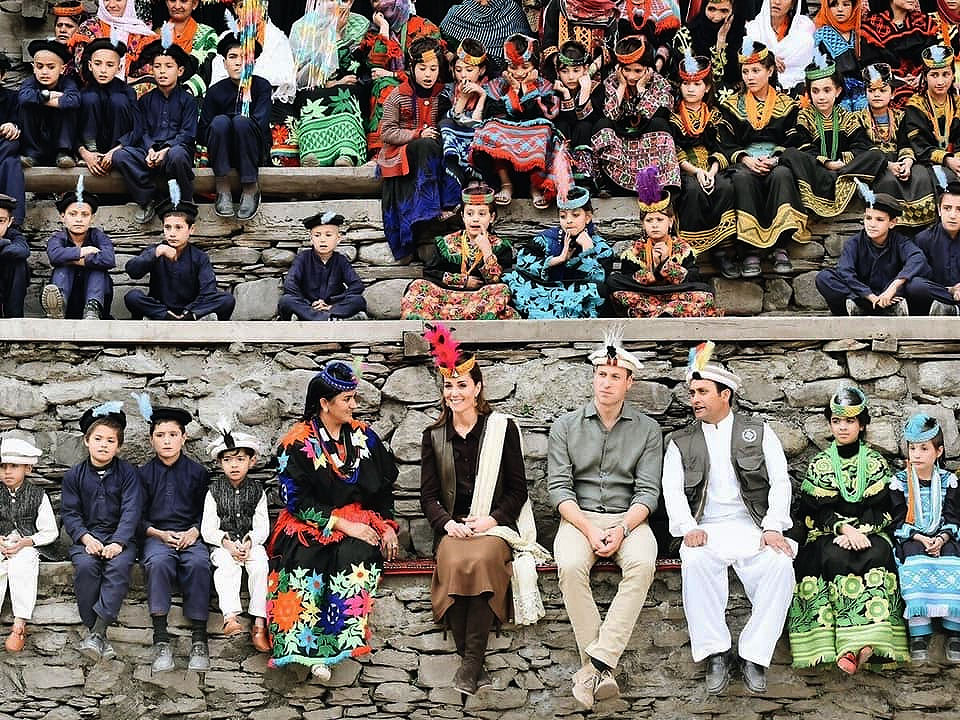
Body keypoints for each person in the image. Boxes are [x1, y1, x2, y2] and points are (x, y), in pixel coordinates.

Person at [419, 324, 547, 695]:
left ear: (477, 388)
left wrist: (491, 520)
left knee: (483, 559)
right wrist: (447, 525)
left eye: (462, 385)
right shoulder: (434, 437)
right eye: (448, 386)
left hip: (494, 528)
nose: (454, 393)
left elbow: (518, 490)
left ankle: (469, 664)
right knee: (454, 560)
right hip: (454, 529)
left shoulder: (501, 429)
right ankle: (473, 666)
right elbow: (428, 497)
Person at [661, 343, 795, 695]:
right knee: (695, 560)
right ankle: (716, 653)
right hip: (705, 528)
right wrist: (688, 528)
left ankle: (754, 654)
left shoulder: (759, 431)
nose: (695, 399)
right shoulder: (680, 441)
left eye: (703, 392)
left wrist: (772, 527)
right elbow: (671, 490)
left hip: (752, 526)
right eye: (692, 393)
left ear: (726, 395)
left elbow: (780, 481)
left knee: (780, 564)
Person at [547, 330, 661, 710]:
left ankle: (592, 668)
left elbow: (648, 493)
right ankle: (603, 670)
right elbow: (558, 489)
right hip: (579, 519)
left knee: (643, 563)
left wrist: (623, 528)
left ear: (629, 383)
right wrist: (590, 529)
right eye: (601, 374)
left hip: (630, 519)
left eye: (615, 376)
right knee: (569, 565)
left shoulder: (648, 430)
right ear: (593, 378)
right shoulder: (565, 426)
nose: (606, 382)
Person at [267, 361, 399, 681]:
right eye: (347, 400)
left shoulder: (364, 437)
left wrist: (386, 527)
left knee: (356, 554)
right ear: (325, 403)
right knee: (305, 558)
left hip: (360, 517)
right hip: (310, 522)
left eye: (354, 398)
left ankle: (337, 645)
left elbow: (384, 488)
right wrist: (341, 524)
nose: (354, 406)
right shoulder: (296, 443)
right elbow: (296, 501)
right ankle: (305, 650)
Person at [788, 387, 909, 673]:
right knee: (832, 556)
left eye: (850, 421)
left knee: (879, 553)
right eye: (836, 421)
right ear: (830, 425)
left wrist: (861, 532)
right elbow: (815, 511)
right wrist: (843, 530)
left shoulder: (876, 462)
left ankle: (869, 645)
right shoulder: (820, 464)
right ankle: (848, 648)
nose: (843, 427)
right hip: (829, 534)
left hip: (870, 533)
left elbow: (884, 508)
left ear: (862, 424)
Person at [718, 38, 809, 277]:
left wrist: (776, 158)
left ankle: (780, 246)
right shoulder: (731, 105)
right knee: (742, 179)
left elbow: (794, 139)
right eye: (745, 71)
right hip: (744, 161)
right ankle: (750, 249)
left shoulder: (788, 104)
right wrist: (745, 159)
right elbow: (725, 142)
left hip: (776, 160)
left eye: (756, 71)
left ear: (770, 71)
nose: (750, 77)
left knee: (782, 175)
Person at [61, 402, 141, 661]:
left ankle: (97, 633)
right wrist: (86, 538)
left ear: (119, 446)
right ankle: (96, 632)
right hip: (87, 538)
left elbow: (131, 510)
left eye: (110, 440)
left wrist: (118, 542)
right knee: (86, 567)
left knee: (118, 567)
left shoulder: (128, 474)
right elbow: (70, 513)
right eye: (98, 439)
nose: (104, 445)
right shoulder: (74, 476)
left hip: (121, 539)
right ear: (87, 441)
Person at [137, 401, 212, 673]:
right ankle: (161, 639)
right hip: (156, 536)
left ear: (184, 437)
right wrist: (157, 533)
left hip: (191, 535)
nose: (167, 441)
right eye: (160, 435)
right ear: (151, 440)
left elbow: (208, 511)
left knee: (199, 563)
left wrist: (195, 531)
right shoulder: (142, 475)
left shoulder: (198, 473)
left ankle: (200, 639)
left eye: (172, 435)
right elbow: (135, 515)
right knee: (158, 563)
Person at [377, 36, 460, 260]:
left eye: (433, 68)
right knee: (425, 145)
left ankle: (447, 209)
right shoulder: (398, 95)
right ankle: (425, 217)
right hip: (403, 153)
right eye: (422, 68)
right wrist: (416, 134)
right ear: (412, 68)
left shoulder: (444, 93)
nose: (428, 74)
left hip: (434, 153)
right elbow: (387, 132)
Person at [779, 50, 887, 218]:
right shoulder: (804, 116)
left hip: (843, 168)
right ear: (809, 93)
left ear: (837, 91)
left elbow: (861, 145)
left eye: (827, 90)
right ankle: (837, 179)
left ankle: (841, 177)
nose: (821, 97)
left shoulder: (846, 117)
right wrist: (827, 162)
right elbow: (803, 146)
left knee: (877, 155)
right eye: (815, 91)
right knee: (790, 154)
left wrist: (842, 162)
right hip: (817, 172)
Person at [890, 413, 960, 663]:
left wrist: (941, 539)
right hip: (913, 537)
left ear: (938, 452)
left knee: (953, 559)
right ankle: (919, 632)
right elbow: (898, 520)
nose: (916, 454)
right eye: (912, 448)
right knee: (912, 558)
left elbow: (953, 516)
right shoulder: (899, 482)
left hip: (944, 537)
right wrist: (920, 538)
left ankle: (954, 631)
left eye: (923, 448)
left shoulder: (949, 481)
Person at [470, 34, 569, 208]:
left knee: (543, 130)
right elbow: (494, 112)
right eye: (513, 67)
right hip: (506, 139)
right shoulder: (497, 85)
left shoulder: (545, 86)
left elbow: (549, 113)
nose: (520, 73)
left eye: (525, 67)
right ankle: (506, 184)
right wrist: (514, 90)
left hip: (534, 134)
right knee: (491, 129)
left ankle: (535, 186)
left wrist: (527, 89)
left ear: (535, 66)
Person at [608, 168, 722, 317]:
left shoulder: (683, 249)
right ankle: (668, 311)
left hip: (676, 294)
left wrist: (666, 264)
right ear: (643, 224)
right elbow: (628, 279)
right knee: (613, 282)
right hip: (646, 294)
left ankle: (655, 311)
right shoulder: (634, 251)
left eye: (660, 219)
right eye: (649, 220)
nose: (654, 225)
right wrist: (654, 270)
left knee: (704, 291)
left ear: (670, 221)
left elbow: (692, 279)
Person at [113, 30, 198, 223]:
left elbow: (188, 134)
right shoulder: (145, 100)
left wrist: (165, 150)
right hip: (149, 154)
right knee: (121, 155)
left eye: (168, 66)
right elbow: (141, 131)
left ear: (180, 71)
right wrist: (150, 149)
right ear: (151, 70)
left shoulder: (188, 101)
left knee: (177, 155)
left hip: (174, 152)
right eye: (157, 66)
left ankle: (185, 201)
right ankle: (148, 198)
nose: (162, 71)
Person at [201, 422, 271, 653]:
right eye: (228, 460)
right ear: (220, 463)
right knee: (225, 566)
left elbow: (262, 525)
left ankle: (259, 623)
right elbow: (208, 528)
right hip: (224, 544)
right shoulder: (214, 492)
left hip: (251, 543)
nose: (234, 465)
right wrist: (227, 544)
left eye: (240, 459)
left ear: (251, 461)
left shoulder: (257, 491)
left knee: (260, 566)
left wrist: (250, 542)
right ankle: (230, 617)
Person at [401, 184, 517, 320]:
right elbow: (430, 272)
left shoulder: (501, 246)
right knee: (418, 286)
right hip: (447, 297)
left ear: (491, 217)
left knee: (502, 290)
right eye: (470, 213)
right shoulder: (447, 242)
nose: (475, 219)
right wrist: (462, 281)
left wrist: (487, 251)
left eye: (481, 214)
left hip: (481, 298)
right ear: (462, 216)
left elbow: (497, 281)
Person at [668, 50, 737, 265]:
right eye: (686, 84)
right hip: (686, 168)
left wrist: (711, 172)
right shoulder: (672, 117)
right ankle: (690, 251)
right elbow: (673, 149)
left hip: (712, 166)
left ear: (706, 87)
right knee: (693, 190)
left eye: (697, 84)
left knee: (725, 186)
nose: (691, 89)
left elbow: (722, 146)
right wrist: (696, 171)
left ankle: (722, 250)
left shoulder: (715, 114)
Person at [816, 182, 928, 315]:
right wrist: (870, 296)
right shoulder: (854, 243)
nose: (872, 224)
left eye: (879, 220)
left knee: (916, 283)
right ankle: (862, 307)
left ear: (892, 223)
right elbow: (845, 272)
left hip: (891, 297)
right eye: (868, 218)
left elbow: (917, 258)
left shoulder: (900, 242)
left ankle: (890, 308)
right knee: (824, 278)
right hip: (862, 297)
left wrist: (893, 288)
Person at [591, 35, 680, 198]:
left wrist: (641, 89)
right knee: (602, 125)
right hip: (621, 142)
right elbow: (609, 115)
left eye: (637, 71)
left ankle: (655, 185)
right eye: (627, 70)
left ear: (648, 69)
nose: (631, 76)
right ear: (619, 68)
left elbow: (657, 116)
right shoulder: (612, 82)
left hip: (647, 141)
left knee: (660, 124)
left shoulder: (660, 84)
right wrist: (621, 87)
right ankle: (609, 185)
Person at [504, 186, 612, 318]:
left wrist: (587, 251)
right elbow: (522, 261)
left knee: (600, 290)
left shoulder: (601, 247)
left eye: (575, 215)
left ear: (588, 217)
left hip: (575, 296)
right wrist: (557, 260)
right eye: (563, 216)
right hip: (544, 292)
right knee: (508, 275)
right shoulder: (548, 238)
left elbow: (598, 279)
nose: (569, 221)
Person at [124, 194, 235, 320]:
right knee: (133, 296)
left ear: (191, 229)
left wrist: (190, 311)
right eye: (168, 227)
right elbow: (132, 271)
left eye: (178, 227)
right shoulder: (156, 251)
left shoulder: (200, 257)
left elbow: (208, 291)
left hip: (191, 311)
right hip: (160, 310)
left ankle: (187, 318)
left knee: (227, 299)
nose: (172, 233)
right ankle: (167, 317)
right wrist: (156, 252)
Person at [199, 29, 272, 221]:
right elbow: (203, 132)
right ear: (224, 63)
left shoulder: (262, 86)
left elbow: (260, 123)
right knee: (219, 122)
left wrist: (236, 120)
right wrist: (225, 124)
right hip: (223, 153)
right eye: (232, 57)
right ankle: (222, 187)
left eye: (245, 57)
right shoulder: (215, 91)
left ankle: (250, 187)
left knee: (241, 121)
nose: (239, 62)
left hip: (253, 151)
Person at [288, 0, 368, 167]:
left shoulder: (360, 24)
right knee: (310, 96)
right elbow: (297, 73)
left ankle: (347, 153)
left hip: (349, 84)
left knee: (346, 92)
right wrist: (328, 83)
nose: (337, 3)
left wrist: (337, 35)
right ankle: (312, 155)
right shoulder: (301, 27)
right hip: (313, 86)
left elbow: (356, 68)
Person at [358, 0, 443, 155]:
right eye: (375, 0)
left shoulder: (423, 27)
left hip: (422, 83)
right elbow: (375, 65)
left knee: (388, 85)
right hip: (385, 84)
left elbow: (430, 66)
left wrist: (394, 74)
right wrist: (384, 28)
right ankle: (379, 152)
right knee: (383, 84)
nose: (381, 4)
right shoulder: (374, 30)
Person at [860, 63, 938, 228]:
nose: (877, 95)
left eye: (883, 90)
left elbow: (906, 142)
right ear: (865, 92)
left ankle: (925, 226)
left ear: (893, 93)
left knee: (922, 175)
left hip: (901, 159)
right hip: (877, 164)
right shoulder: (857, 119)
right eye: (871, 90)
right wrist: (887, 165)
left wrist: (907, 163)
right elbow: (862, 148)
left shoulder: (902, 116)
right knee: (887, 181)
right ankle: (891, 224)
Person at [0, 437, 57, 653]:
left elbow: (50, 531)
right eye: (3, 466)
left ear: (28, 468)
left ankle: (19, 623)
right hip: (2, 543)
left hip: (27, 544)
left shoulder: (38, 495)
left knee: (22, 566)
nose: (7, 472)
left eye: (14, 466)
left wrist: (27, 541)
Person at [43, 180, 115, 320]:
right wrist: (83, 251)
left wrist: (73, 259)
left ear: (92, 218)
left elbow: (109, 259)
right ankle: (58, 307)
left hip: (97, 297)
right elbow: (54, 255)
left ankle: (92, 310)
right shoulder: (58, 237)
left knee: (97, 269)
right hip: (69, 300)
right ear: (63, 217)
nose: (79, 219)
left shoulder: (99, 236)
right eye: (73, 214)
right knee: (63, 268)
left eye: (84, 214)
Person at [278, 211, 367, 321]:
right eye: (317, 235)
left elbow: (357, 285)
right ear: (311, 239)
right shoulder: (303, 258)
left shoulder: (341, 260)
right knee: (286, 301)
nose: (322, 240)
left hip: (332, 305)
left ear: (338, 239)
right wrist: (309, 303)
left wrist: (331, 303)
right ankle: (331, 318)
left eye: (328, 235)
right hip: (309, 305)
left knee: (358, 300)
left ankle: (314, 316)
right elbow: (290, 284)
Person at [76, 38, 141, 182]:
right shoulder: (82, 93)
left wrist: (115, 151)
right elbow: (71, 128)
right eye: (98, 64)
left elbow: (138, 128)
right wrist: (85, 154)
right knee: (90, 98)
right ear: (90, 65)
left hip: (118, 150)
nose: (103, 70)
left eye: (110, 65)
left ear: (119, 67)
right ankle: (92, 149)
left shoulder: (127, 92)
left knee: (118, 100)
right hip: (89, 152)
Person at [900, 45, 960, 199]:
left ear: (953, 75)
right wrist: (946, 159)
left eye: (946, 74)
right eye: (934, 75)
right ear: (925, 77)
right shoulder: (916, 105)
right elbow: (918, 144)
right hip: (926, 162)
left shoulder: (957, 103)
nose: (940, 81)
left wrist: (957, 159)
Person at [549, 41, 603, 193]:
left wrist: (585, 92)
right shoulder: (554, 90)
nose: (570, 77)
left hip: (586, 135)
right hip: (566, 133)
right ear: (558, 72)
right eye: (565, 71)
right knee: (561, 125)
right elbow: (567, 120)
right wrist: (566, 95)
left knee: (584, 126)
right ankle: (561, 175)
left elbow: (592, 119)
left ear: (585, 69)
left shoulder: (597, 88)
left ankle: (584, 176)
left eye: (576, 70)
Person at [861, 0, 938, 107]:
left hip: (924, 82)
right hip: (887, 87)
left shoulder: (924, 22)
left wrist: (922, 76)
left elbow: (933, 55)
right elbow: (871, 64)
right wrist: (898, 80)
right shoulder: (872, 25)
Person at [18, 39, 80, 169]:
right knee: (26, 107)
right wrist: (48, 96)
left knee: (68, 109)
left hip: (58, 135)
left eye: (51, 67)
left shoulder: (67, 83)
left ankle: (63, 153)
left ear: (62, 69)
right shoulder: (30, 82)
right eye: (39, 66)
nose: (44, 72)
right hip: (37, 136)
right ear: (33, 68)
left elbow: (73, 100)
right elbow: (23, 98)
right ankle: (32, 155)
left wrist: (39, 100)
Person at [439, 39, 490, 190]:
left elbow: (479, 123)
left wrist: (482, 96)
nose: (463, 75)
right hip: (456, 146)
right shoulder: (447, 90)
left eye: (469, 70)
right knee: (446, 124)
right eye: (458, 70)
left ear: (481, 70)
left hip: (480, 148)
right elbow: (444, 121)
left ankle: (478, 175)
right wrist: (462, 99)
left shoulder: (493, 88)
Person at [672, 0, 748, 101]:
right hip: (694, 98)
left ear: (732, 11)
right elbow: (693, 81)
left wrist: (722, 40)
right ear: (704, 7)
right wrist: (719, 47)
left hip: (734, 97)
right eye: (711, 9)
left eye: (724, 11)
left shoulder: (739, 33)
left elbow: (739, 75)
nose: (716, 17)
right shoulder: (685, 38)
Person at [904, 179, 960, 314]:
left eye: (959, 209)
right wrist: (950, 290)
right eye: (947, 208)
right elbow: (917, 276)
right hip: (936, 296)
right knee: (914, 285)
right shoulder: (924, 239)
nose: (953, 215)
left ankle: (952, 307)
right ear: (939, 210)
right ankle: (952, 305)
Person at [70, 0, 157, 81]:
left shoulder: (142, 34)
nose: (111, 5)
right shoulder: (89, 27)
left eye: (118, 0)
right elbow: (81, 65)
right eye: (106, 0)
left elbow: (150, 69)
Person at [743, 0, 815, 95]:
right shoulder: (752, 29)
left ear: (793, 4)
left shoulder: (804, 28)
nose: (777, 2)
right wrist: (768, 59)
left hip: (799, 92)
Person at [440, 0, 531, 73]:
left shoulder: (512, 11)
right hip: (467, 76)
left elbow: (526, 48)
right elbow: (443, 44)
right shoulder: (458, 13)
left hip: (505, 77)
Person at [154, 0, 218, 97]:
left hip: (193, 97)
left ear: (194, 4)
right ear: (166, 2)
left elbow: (208, 69)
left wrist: (185, 92)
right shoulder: (156, 35)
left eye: (183, 1)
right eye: (172, 0)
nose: (177, 6)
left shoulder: (207, 34)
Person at [812, 0, 866, 111]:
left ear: (854, 7)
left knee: (865, 111)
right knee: (841, 112)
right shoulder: (822, 35)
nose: (840, 9)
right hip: (835, 89)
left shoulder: (860, 31)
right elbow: (820, 66)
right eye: (834, 5)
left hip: (862, 89)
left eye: (846, 4)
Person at [0, 54, 25, 228]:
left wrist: (13, 126)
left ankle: (13, 222)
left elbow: (21, 124)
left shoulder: (12, 98)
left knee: (11, 147)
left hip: (4, 146)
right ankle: (12, 224)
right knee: (10, 162)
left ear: (2, 76)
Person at [0, 195, 28, 319]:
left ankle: (14, 318)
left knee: (18, 263)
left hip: (6, 289)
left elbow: (23, 250)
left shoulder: (13, 235)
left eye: (0, 221)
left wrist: (3, 244)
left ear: (10, 222)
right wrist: (5, 243)